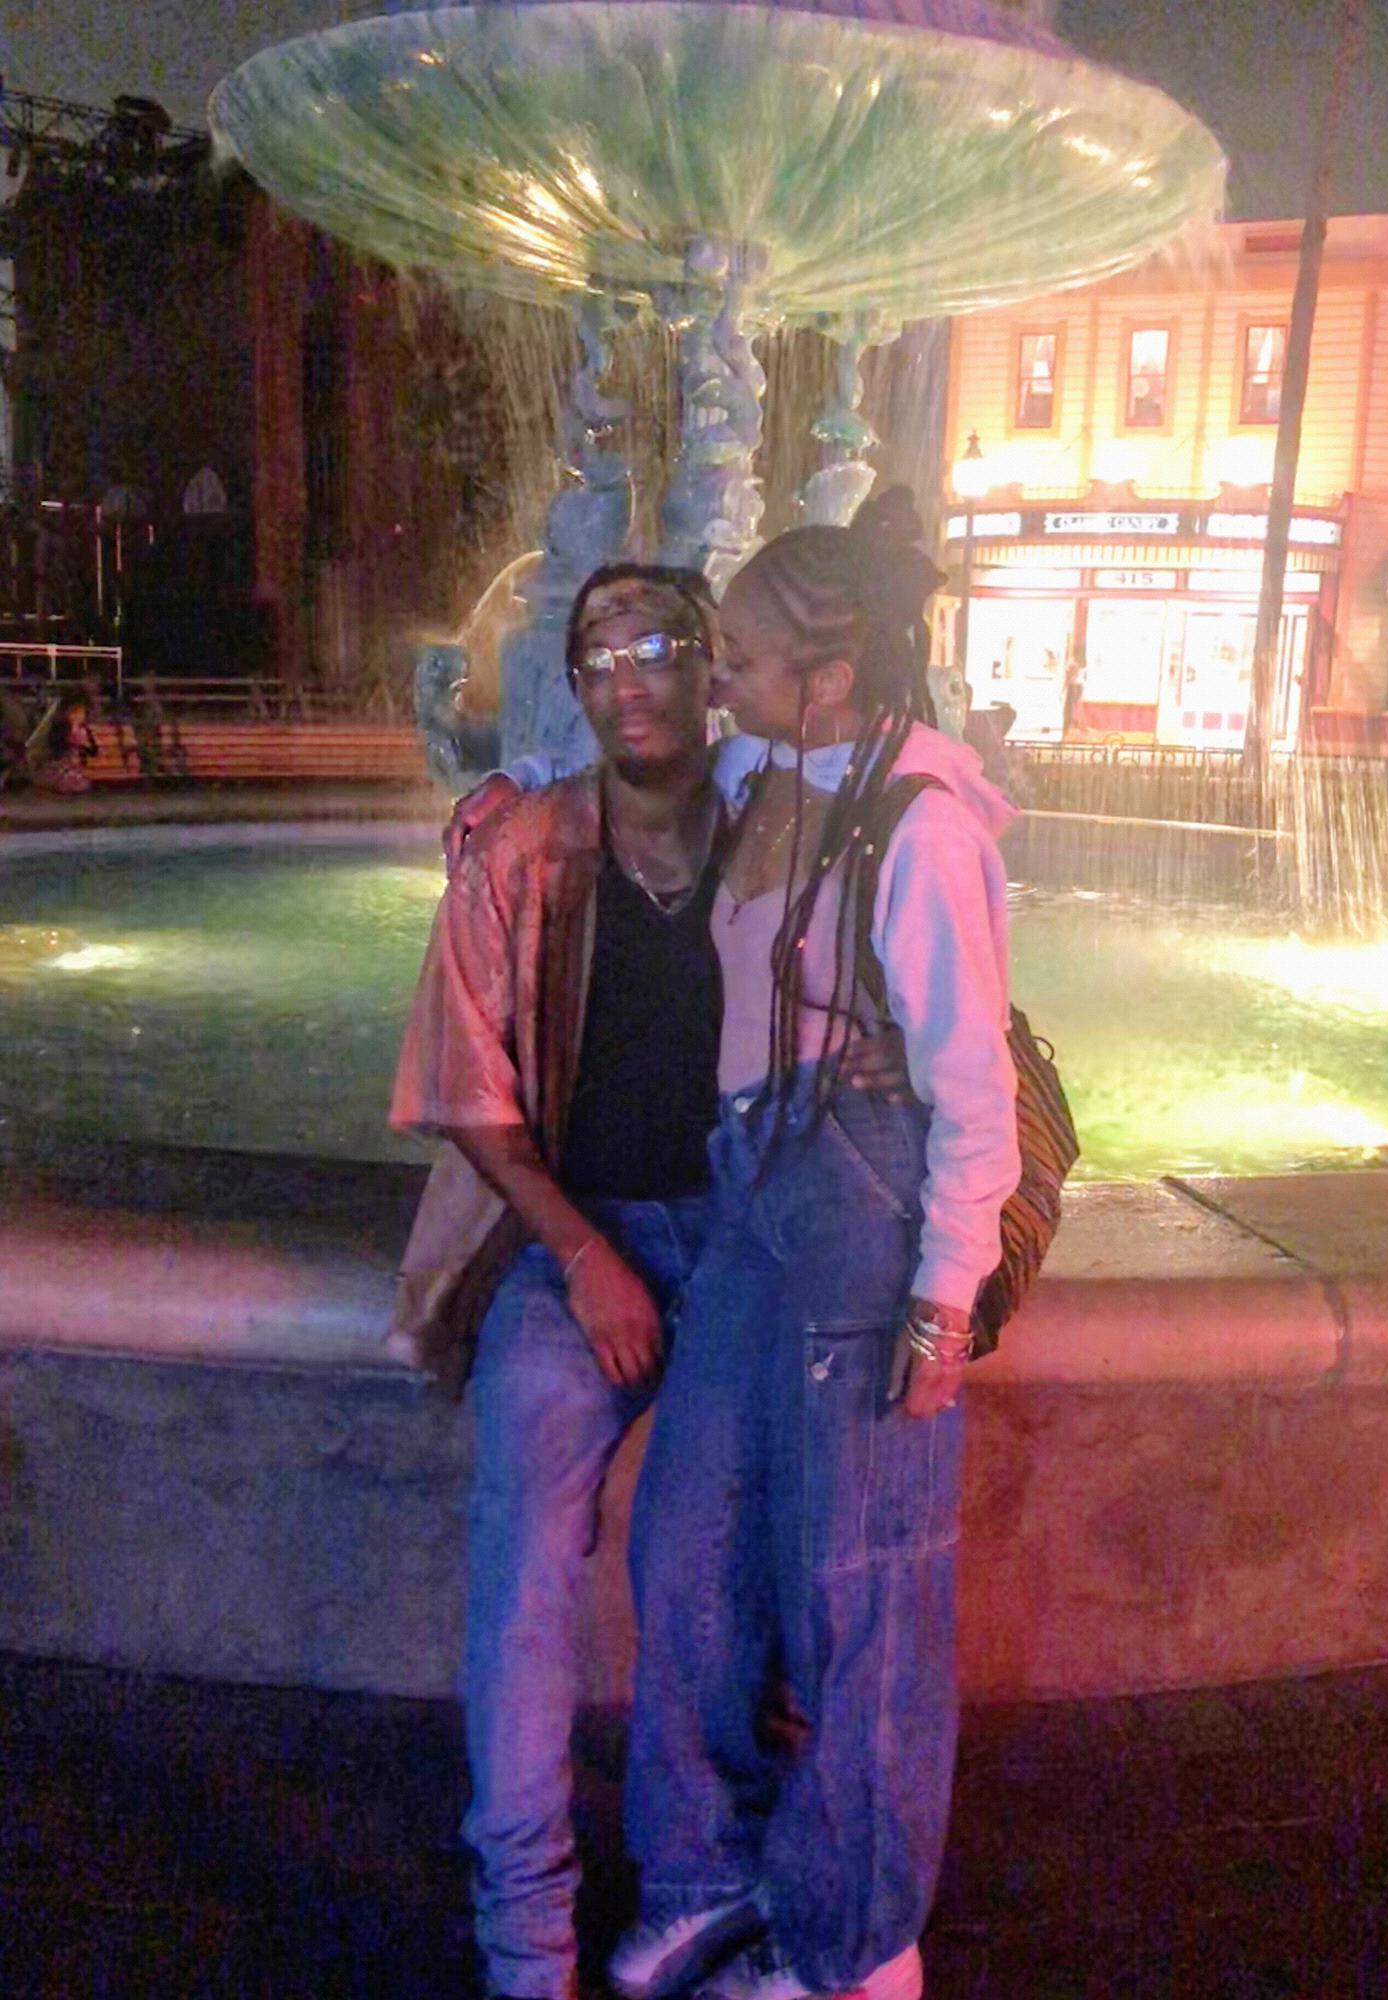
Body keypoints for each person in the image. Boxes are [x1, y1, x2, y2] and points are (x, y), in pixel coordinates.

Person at [390, 563, 904, 2000]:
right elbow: (468, 1092)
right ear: (574, 685)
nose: (632, 678)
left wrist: (894, 1044)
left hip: (749, 1249)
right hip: (578, 1247)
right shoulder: (519, 848)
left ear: (711, 666)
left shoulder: (787, 830)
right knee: (521, 1553)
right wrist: (583, 1258)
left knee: (719, 1558)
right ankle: (524, 1924)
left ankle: (707, 1877)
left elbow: (909, 975)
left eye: (663, 645)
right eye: (600, 656)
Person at [611, 491, 1020, 2000]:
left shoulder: (922, 823)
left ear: (829, 678)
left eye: (740, 657)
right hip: (752, 1190)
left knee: (863, 1588)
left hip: (859, 1203)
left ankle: (856, 1943)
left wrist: (943, 1300)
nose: (714, 677)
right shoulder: (775, 765)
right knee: (686, 1543)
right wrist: (506, 793)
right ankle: (707, 1871)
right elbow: (624, 780)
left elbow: (971, 1082)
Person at [33, 693, 99, 794]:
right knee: (68, 780)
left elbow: (91, 750)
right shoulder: (61, 728)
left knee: (79, 782)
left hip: (74, 764)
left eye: (82, 713)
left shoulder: (83, 729)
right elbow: (55, 747)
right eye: (75, 712)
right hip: (60, 763)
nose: (79, 716)